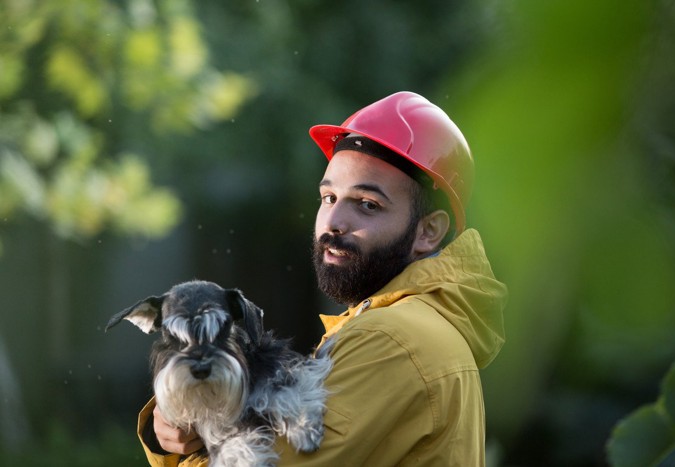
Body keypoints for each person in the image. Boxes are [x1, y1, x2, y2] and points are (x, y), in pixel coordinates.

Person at [137, 91, 507, 466]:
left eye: (367, 204)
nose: (333, 223)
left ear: (428, 231)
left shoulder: (393, 339)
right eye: (329, 198)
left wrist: (185, 450)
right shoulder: (411, 324)